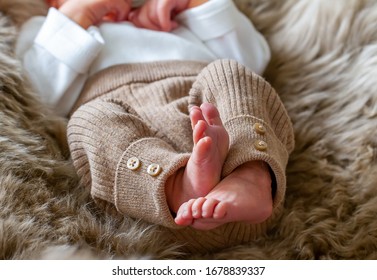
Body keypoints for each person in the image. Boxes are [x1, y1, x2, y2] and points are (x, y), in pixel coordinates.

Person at [16, 0, 294, 252]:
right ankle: (178, 186)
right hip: (150, 199)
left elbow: (251, 57)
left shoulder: (178, 20)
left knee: (229, 72)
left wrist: (196, 5)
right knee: (88, 119)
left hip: (222, 142)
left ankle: (250, 173)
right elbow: (37, 97)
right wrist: (76, 16)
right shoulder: (47, 29)